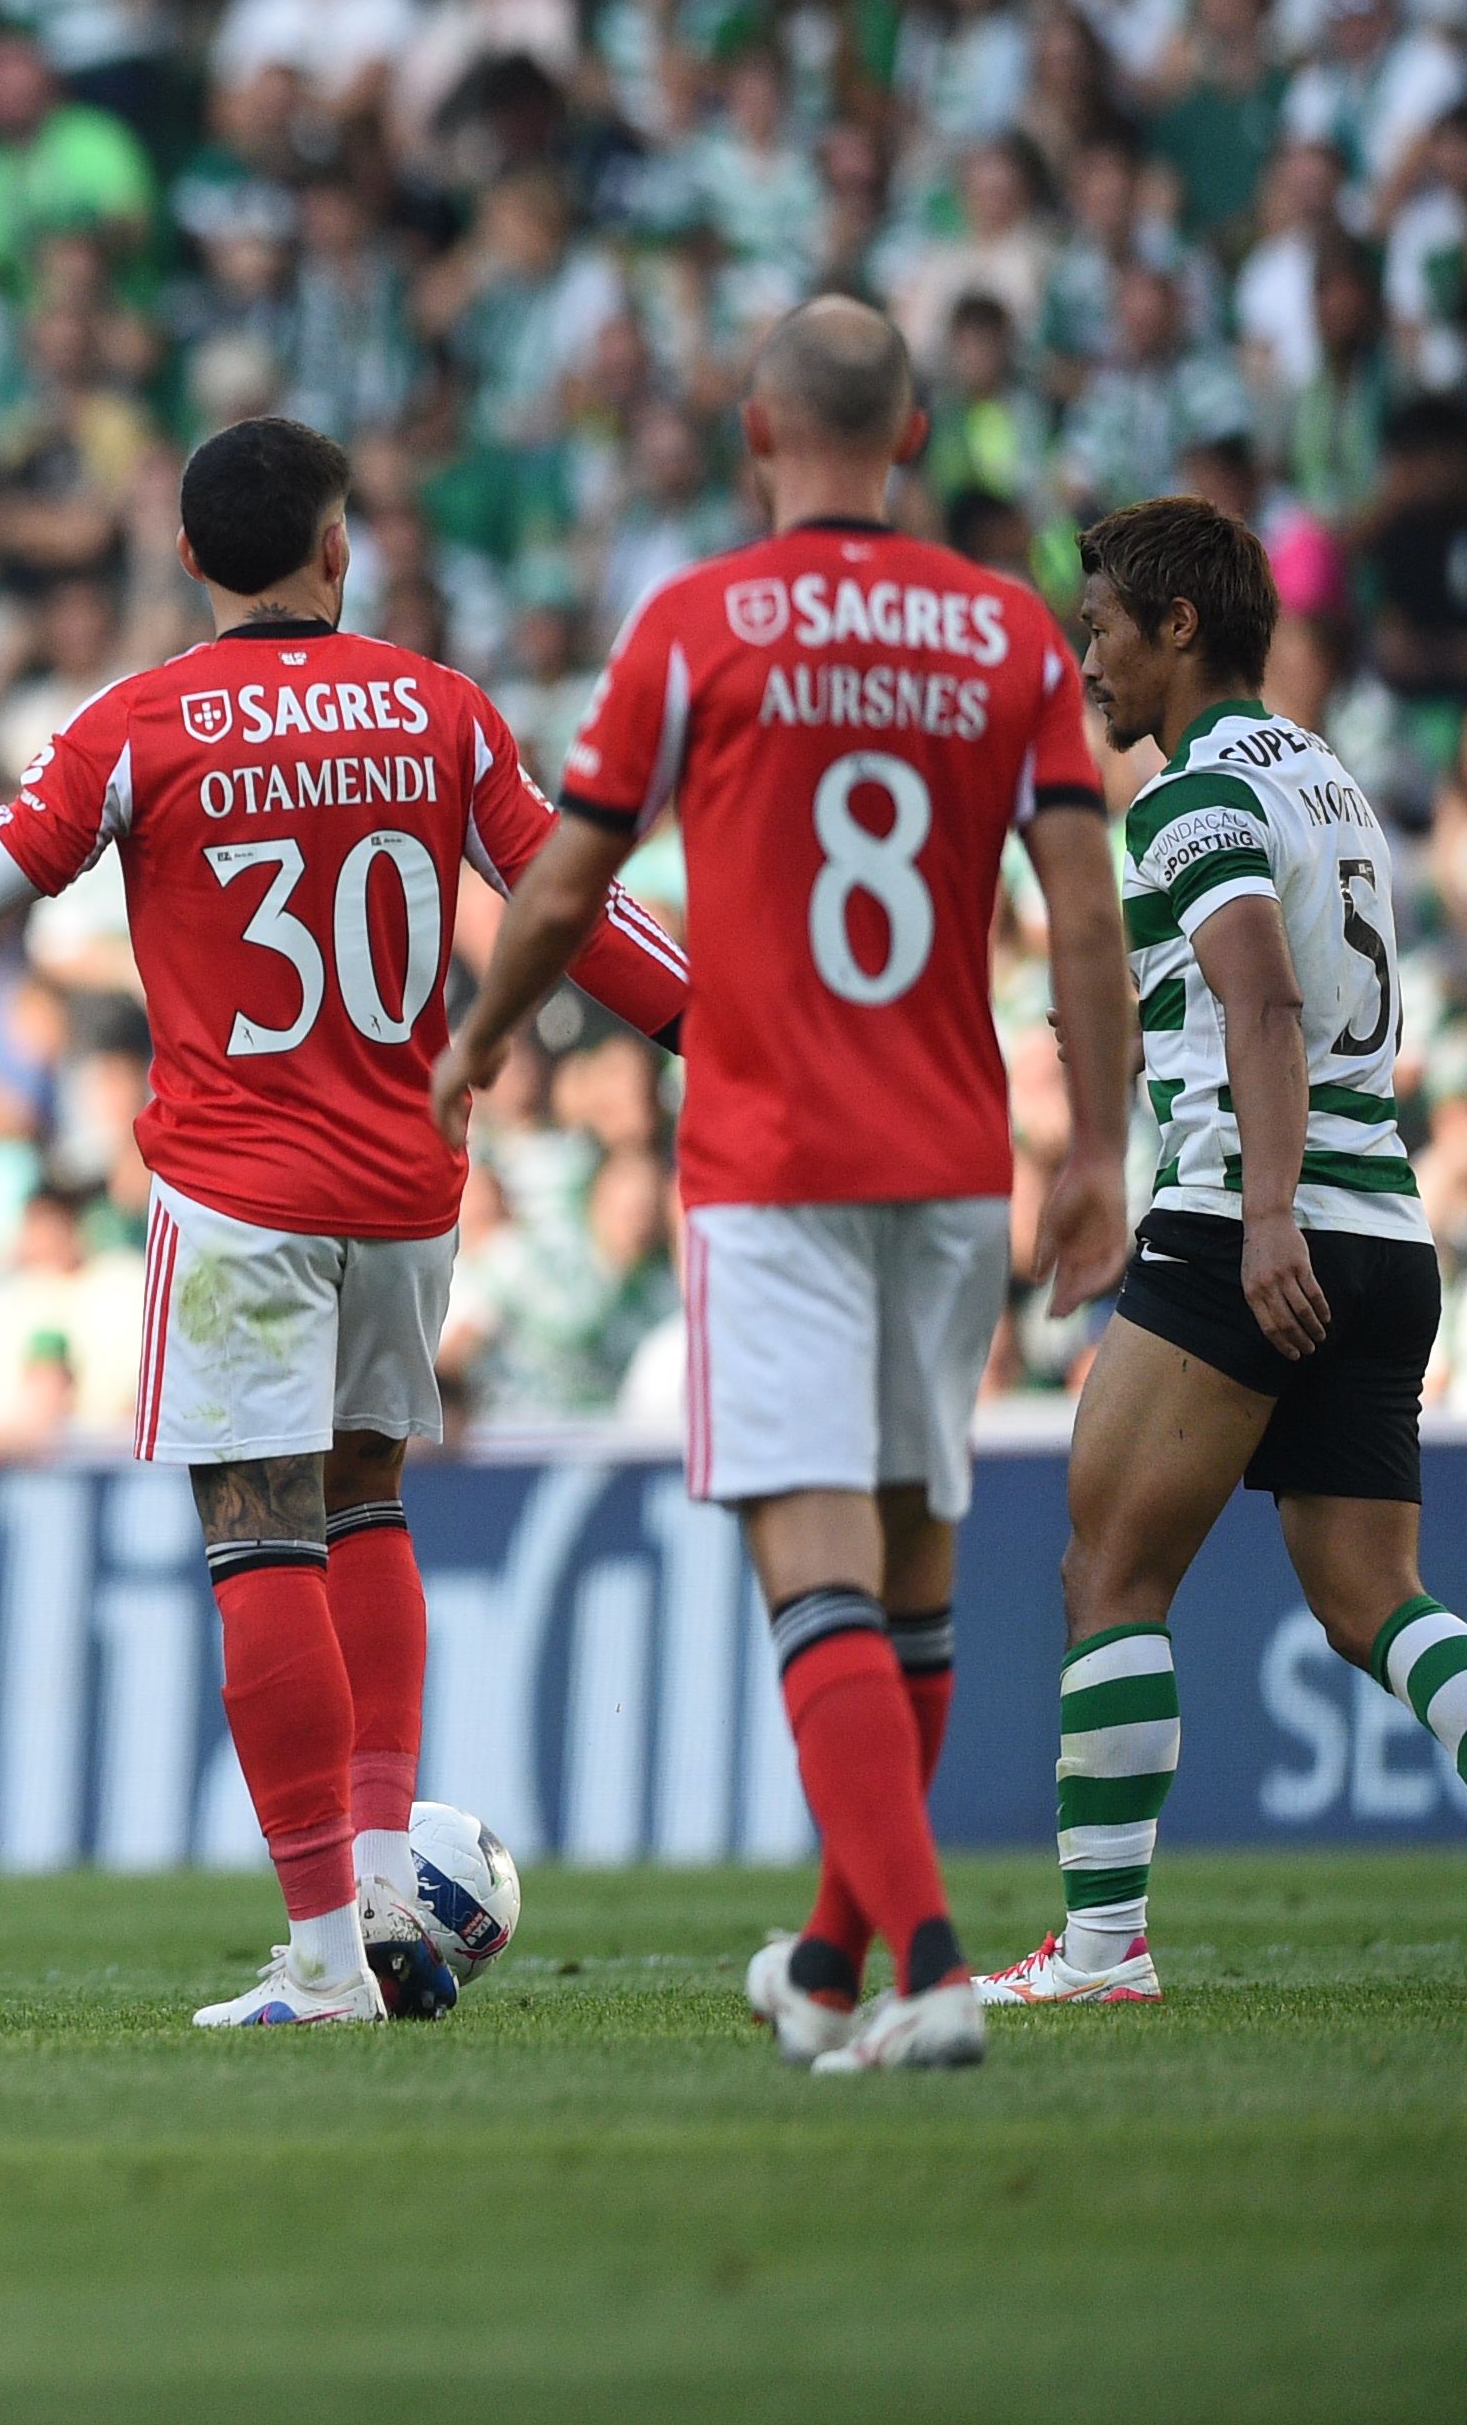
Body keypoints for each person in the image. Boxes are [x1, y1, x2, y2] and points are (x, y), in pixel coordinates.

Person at [0, 418, 690, 2026]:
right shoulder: (441, 711)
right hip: (408, 1183)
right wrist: (735, 1040)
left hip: (243, 1186)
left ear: (188, 561)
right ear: (341, 549)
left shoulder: (141, 724)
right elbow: (572, 911)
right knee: (369, 1501)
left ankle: (329, 1957)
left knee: (261, 1530)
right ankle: (389, 1885)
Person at [437, 301, 1138, 2078]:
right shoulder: (1005, 632)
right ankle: (831, 1967)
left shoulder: (698, 626)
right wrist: (1105, 1151)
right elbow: (1084, 904)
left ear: (756, 430)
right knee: (911, 1586)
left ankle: (928, 1963)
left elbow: (565, 887)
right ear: (910, 436)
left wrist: (483, 1039)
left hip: (768, 1163)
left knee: (810, 1578)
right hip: (954, 1156)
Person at [978, 497, 1466, 2006]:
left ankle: (1104, 1949)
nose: (1089, 658)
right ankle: (1104, 1947)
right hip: (1384, 1230)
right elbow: (1241, 989)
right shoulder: (1325, 777)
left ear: (1180, 627)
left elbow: (1257, 1003)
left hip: (1252, 1226)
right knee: (1370, 1598)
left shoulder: (1187, 795)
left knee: (1108, 1572)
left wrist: (1256, 1218)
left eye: (1105, 626)